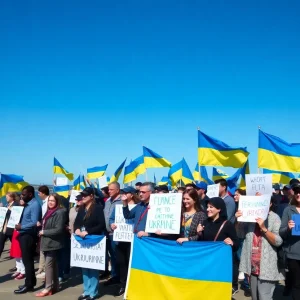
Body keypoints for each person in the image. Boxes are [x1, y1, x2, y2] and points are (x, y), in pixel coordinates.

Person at [238, 196, 284, 300]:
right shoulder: (249, 218)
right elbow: (240, 234)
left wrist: (264, 228)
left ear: (270, 203)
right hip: (252, 266)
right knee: (255, 297)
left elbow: (278, 241)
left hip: (267, 267)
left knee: (264, 297)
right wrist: (238, 220)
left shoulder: (274, 217)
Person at [197, 197, 239, 296]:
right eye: (207, 207)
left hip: (221, 267)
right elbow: (202, 244)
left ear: (219, 209)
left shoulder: (227, 224)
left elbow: (236, 244)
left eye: (211, 207)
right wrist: (199, 233)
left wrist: (232, 243)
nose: (208, 209)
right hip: (208, 264)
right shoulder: (205, 223)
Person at [74, 187, 106, 300]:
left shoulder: (98, 208)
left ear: (91, 196)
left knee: (92, 267)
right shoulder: (82, 208)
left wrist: (88, 231)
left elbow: (101, 224)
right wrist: (77, 229)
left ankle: (93, 292)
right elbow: (77, 222)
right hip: (82, 240)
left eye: (85, 195)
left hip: (93, 239)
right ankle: (86, 290)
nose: (83, 197)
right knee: (84, 266)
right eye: (82, 195)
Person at [109, 186, 140, 297]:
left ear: (131, 194)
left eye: (126, 193)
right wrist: (112, 224)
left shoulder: (138, 207)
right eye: (122, 192)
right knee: (121, 262)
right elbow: (112, 218)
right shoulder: (118, 206)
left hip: (132, 240)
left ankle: (132, 283)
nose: (123, 194)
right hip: (120, 239)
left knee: (130, 262)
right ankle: (123, 284)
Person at [35, 193, 66, 297]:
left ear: (57, 202)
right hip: (47, 242)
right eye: (49, 201)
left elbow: (59, 229)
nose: (50, 202)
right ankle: (55, 286)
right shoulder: (49, 211)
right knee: (53, 266)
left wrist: (44, 232)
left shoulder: (60, 212)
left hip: (53, 242)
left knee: (48, 266)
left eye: (52, 201)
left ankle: (47, 288)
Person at [14, 186, 42, 294]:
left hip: (28, 236)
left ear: (30, 194)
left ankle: (29, 285)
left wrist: (22, 227)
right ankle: (29, 282)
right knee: (26, 260)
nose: (22, 196)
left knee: (28, 261)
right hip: (23, 234)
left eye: (24, 194)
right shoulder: (27, 204)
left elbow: (35, 222)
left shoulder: (34, 205)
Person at [280, 182, 300, 300]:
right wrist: (288, 228)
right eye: (296, 192)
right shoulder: (288, 210)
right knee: (297, 284)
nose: (298, 194)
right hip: (294, 254)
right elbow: (281, 232)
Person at [103, 182, 122, 286]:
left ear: (117, 190)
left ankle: (119, 277)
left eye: (111, 189)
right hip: (107, 233)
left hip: (117, 234)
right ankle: (114, 275)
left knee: (117, 256)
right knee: (112, 256)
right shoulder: (108, 201)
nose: (108, 191)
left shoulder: (122, 201)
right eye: (108, 189)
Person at [36, 185, 50, 279]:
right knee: (41, 249)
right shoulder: (44, 202)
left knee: (45, 250)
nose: (38, 194)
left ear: (43, 193)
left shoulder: (48, 202)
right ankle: (41, 267)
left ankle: (44, 270)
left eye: (39, 193)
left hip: (46, 229)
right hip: (43, 228)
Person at [0, 192, 19, 258]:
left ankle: (18, 256)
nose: (6, 198)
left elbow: (15, 215)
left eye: (7, 197)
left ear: (12, 197)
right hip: (4, 227)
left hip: (11, 228)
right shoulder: (7, 204)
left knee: (15, 242)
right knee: (1, 242)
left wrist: (7, 210)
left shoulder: (16, 205)